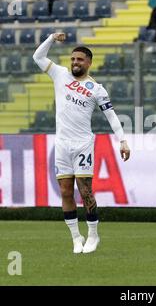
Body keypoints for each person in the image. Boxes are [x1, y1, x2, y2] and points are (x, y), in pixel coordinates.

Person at [33, 33, 130, 254]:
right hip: (62, 144)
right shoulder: (60, 74)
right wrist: (50, 38)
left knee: (85, 191)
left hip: (83, 143)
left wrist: (122, 140)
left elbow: (112, 116)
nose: (75, 62)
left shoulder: (96, 88)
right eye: (73, 59)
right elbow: (37, 57)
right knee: (65, 192)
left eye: (80, 60)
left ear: (88, 63)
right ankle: (76, 237)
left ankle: (93, 235)